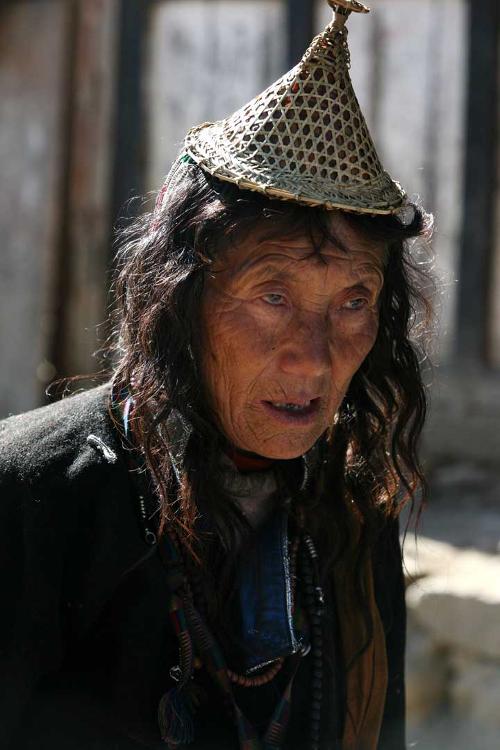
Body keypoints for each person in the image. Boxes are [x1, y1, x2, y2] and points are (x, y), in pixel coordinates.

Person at [0, 2, 433, 749]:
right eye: (273, 296)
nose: (315, 357)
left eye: (353, 302)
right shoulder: (30, 496)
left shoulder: (351, 514)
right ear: (180, 299)